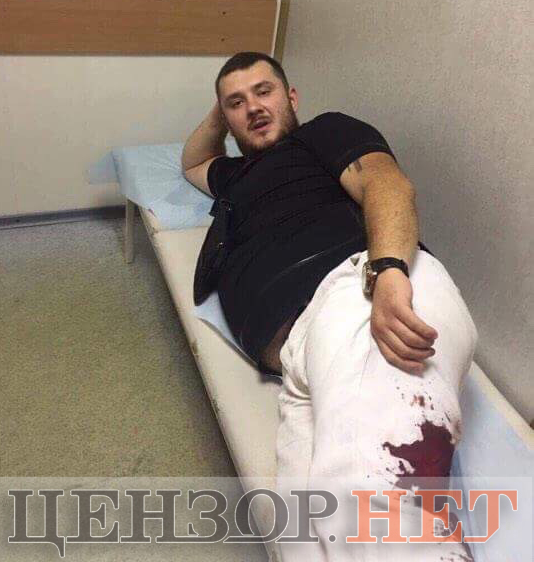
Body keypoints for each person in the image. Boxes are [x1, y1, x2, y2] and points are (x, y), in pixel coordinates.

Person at [182, 51, 478, 561]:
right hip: (297, 357)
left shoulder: (323, 132)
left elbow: (386, 184)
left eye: (264, 92)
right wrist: (221, 111)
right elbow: (191, 161)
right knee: (301, 536)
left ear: (292, 97)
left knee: (378, 500)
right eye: (237, 103)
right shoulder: (234, 176)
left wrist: (388, 271)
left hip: (359, 293)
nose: (253, 107)